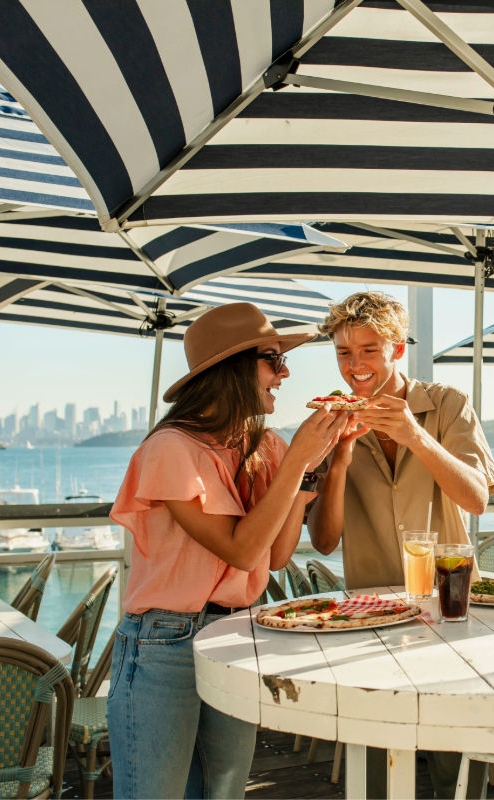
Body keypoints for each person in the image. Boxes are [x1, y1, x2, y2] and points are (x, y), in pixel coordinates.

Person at [108, 303, 353, 799]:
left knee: (223, 793)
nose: (284, 373)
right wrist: (299, 461)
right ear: (232, 368)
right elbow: (241, 551)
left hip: (238, 635)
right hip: (164, 645)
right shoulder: (169, 449)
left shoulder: (268, 448)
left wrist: (326, 461)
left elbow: (276, 554)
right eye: (272, 359)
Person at [306, 290, 494, 798]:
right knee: (375, 758)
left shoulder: (448, 404)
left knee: (452, 751)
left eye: (368, 350)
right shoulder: (329, 421)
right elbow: (324, 541)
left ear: (396, 349)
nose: (355, 366)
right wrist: (341, 459)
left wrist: (416, 436)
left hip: (451, 603)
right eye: (344, 353)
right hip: (369, 610)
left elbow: (477, 498)